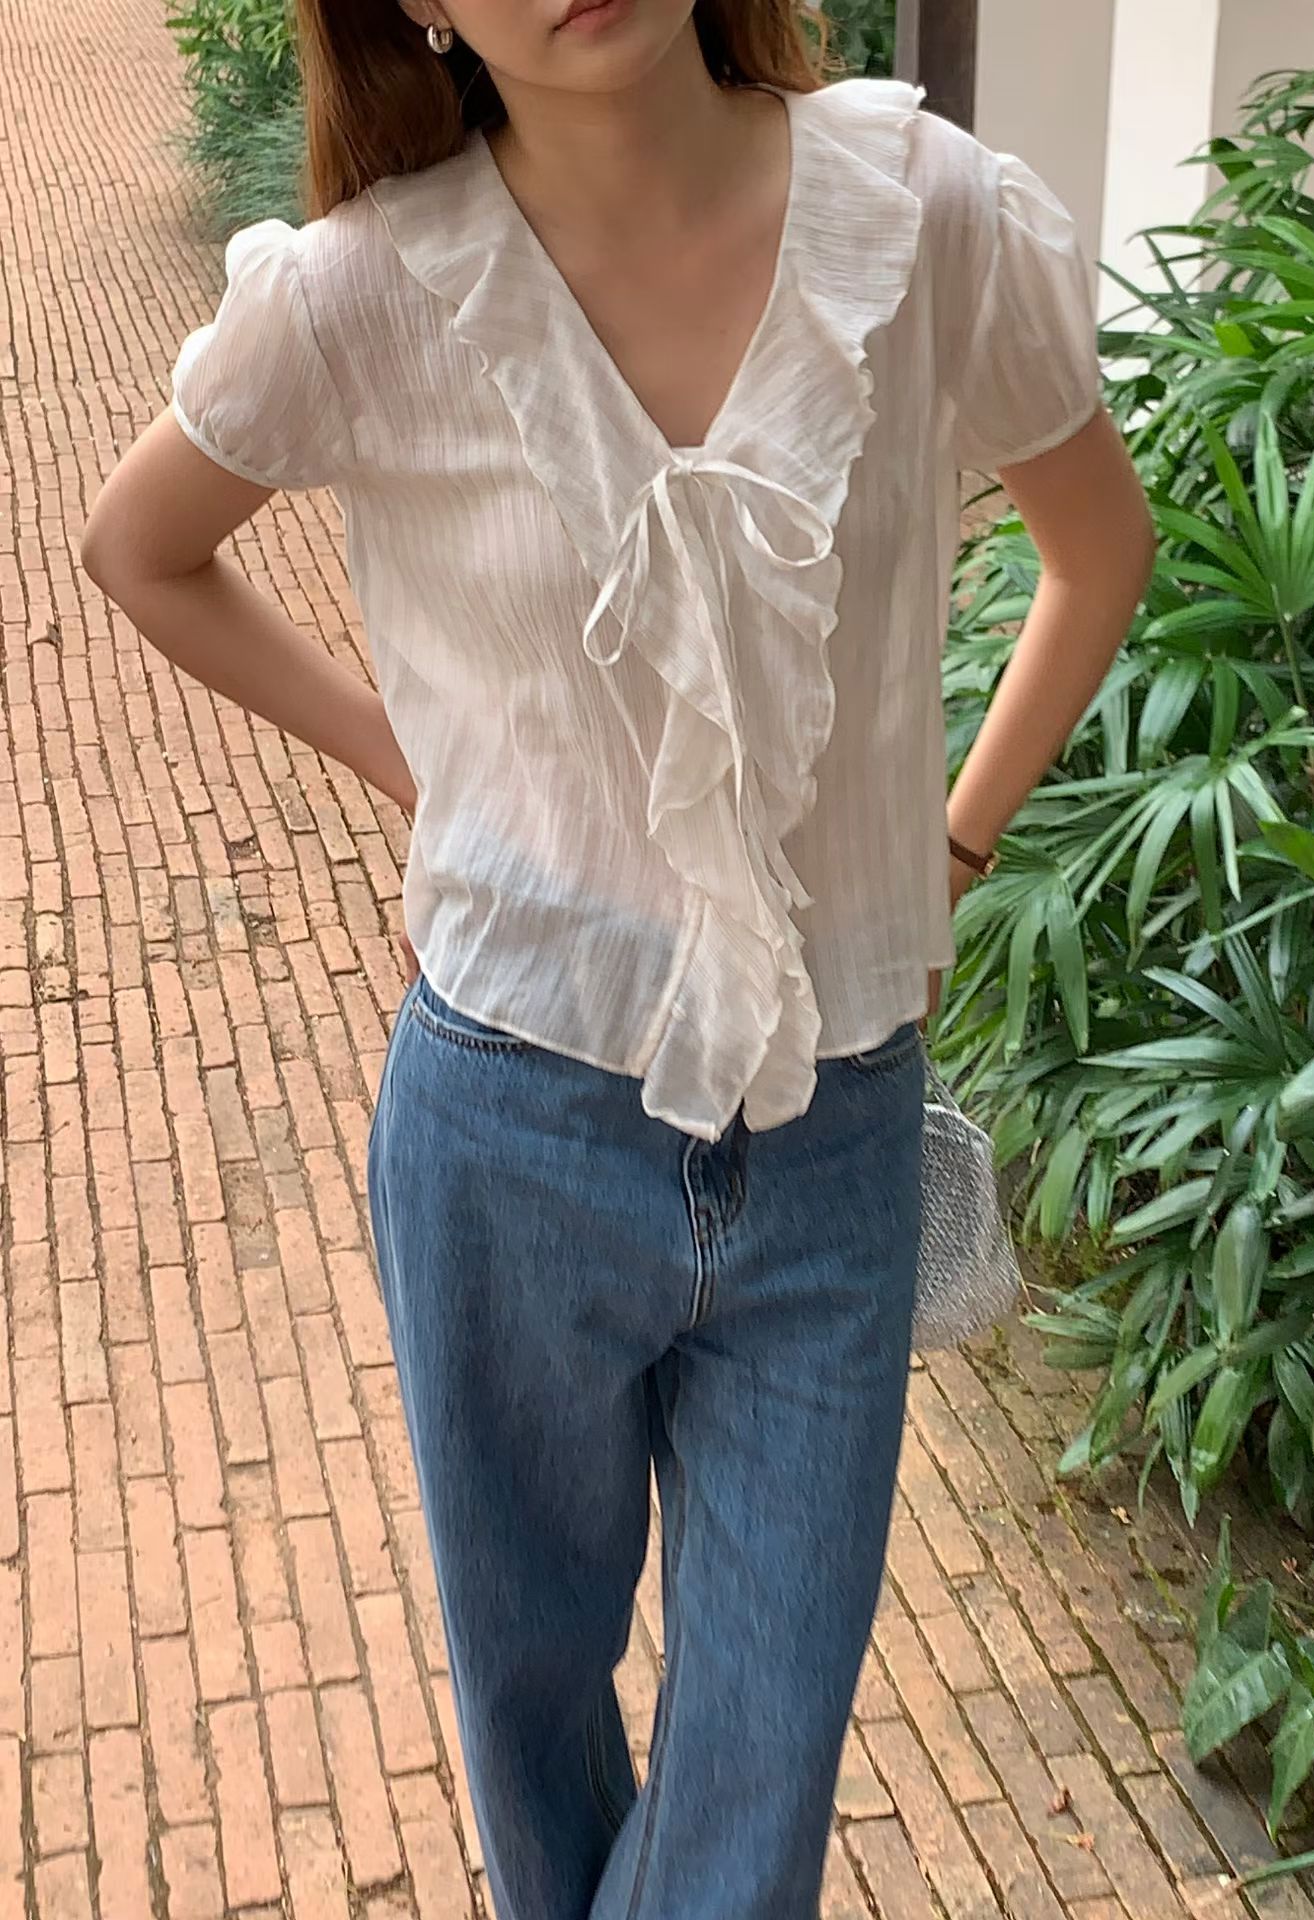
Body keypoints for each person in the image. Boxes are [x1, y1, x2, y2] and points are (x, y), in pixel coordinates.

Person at [82, 0, 1154, 1912]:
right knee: (531, 1712)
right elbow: (140, 546)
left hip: (832, 1127)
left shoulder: (925, 216)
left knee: (761, 1767)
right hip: (509, 1121)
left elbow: (1099, 549)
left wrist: (950, 844)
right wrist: (414, 766)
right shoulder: (365, 295)